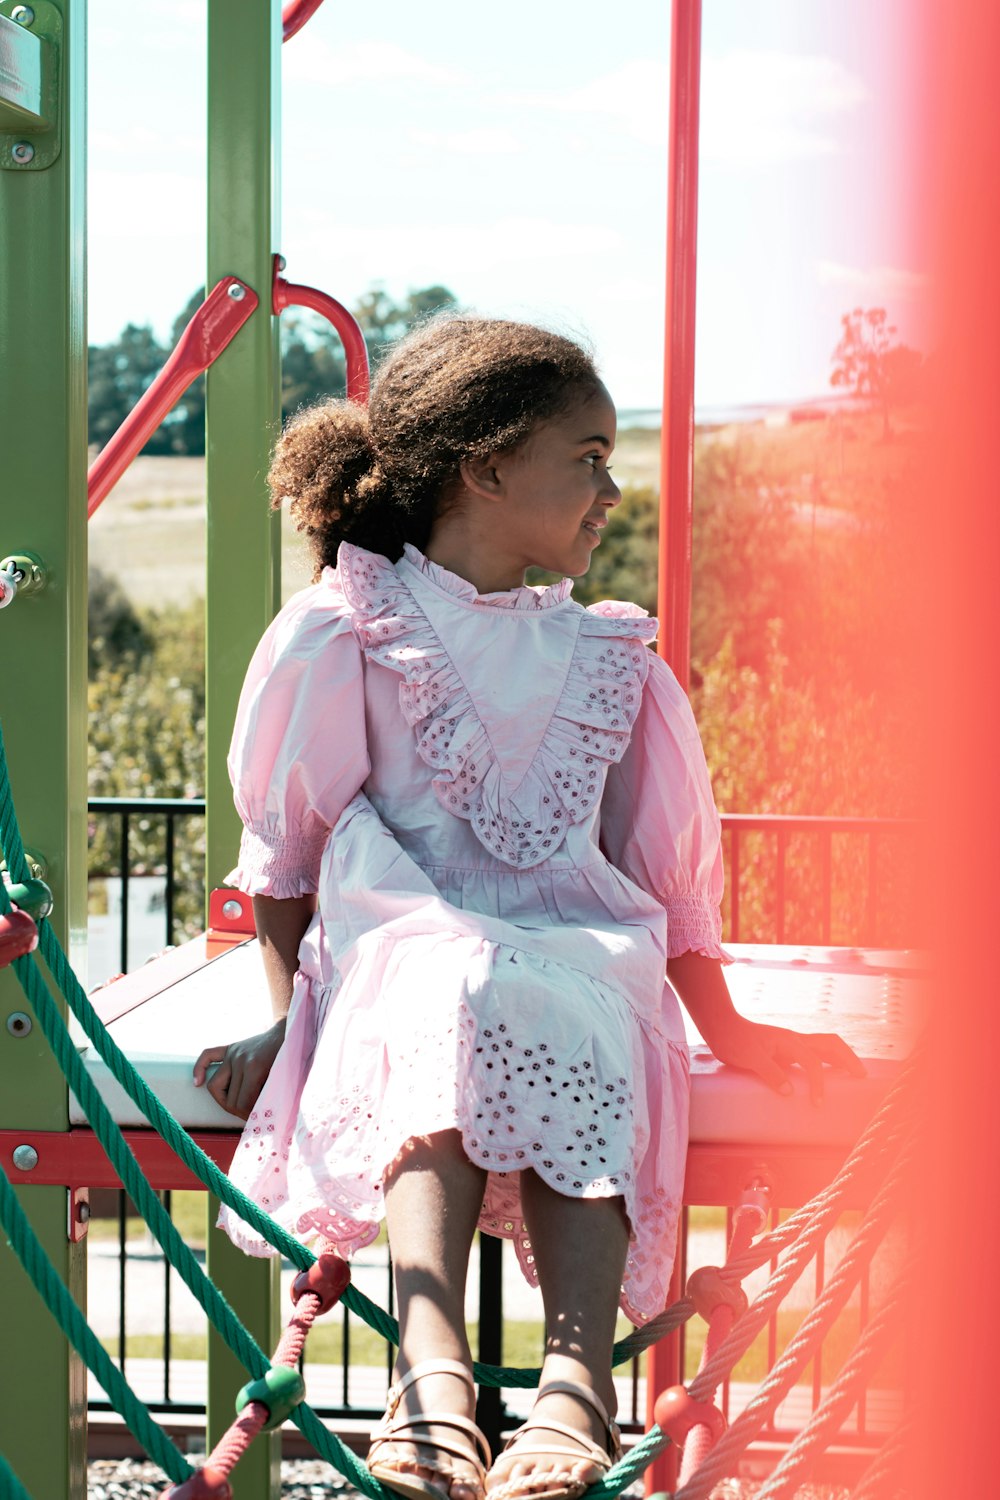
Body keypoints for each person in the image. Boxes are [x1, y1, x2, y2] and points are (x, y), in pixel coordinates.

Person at [193, 316, 864, 1500]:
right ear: (487, 467)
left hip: (568, 949)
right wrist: (288, 1019)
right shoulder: (352, 628)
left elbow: (664, 889)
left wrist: (734, 1033)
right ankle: (433, 1375)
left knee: (564, 987)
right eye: (589, 457)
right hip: (401, 951)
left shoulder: (609, 658)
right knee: (449, 982)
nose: (613, 489)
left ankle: (573, 1387)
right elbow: (290, 858)